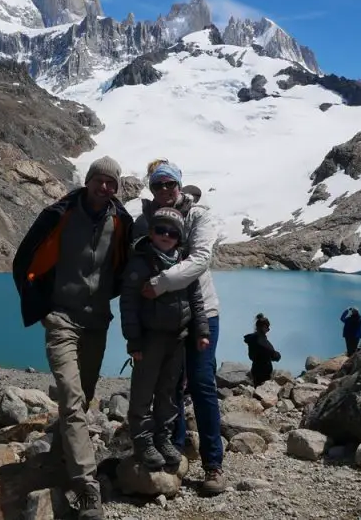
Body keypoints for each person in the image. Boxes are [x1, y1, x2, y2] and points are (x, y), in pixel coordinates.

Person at [11, 156, 133, 520]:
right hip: (62, 319)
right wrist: (41, 305)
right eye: (100, 180)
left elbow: (124, 267)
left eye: (112, 183)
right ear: (89, 180)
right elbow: (25, 258)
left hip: (97, 322)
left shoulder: (120, 221)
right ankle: (86, 486)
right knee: (71, 395)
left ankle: (58, 460)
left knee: (85, 397)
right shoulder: (60, 213)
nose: (105, 188)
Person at [134, 159, 225, 496]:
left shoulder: (199, 216)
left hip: (203, 313)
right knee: (168, 386)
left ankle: (213, 464)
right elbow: (133, 264)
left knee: (201, 383)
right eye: (157, 185)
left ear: (179, 185)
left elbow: (201, 259)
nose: (163, 191)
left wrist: (159, 284)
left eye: (169, 184)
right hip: (163, 320)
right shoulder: (143, 222)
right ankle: (174, 449)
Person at [121, 207, 210, 470]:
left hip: (178, 338)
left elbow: (196, 299)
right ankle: (143, 441)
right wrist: (133, 341)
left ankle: (163, 438)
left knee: (169, 392)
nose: (166, 235)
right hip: (149, 340)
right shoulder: (140, 262)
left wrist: (201, 331)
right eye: (160, 230)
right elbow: (129, 304)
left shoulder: (182, 265)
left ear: (179, 238)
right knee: (142, 391)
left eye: (172, 232)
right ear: (151, 232)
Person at [243, 314, 281, 386]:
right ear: (263, 327)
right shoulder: (261, 340)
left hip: (255, 369)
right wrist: (277, 355)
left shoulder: (252, 339)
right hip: (264, 372)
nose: (269, 329)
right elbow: (272, 353)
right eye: (267, 327)